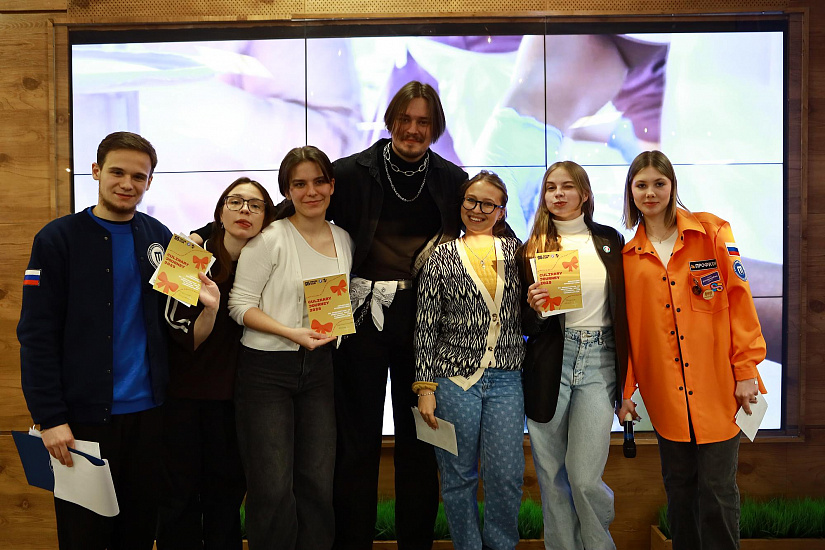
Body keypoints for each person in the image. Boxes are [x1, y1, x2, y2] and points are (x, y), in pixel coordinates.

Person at [329, 80, 469, 550]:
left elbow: (491, 228)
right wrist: (208, 235)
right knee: (356, 442)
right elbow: (291, 210)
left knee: (421, 441)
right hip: (358, 316)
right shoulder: (349, 172)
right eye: (405, 119)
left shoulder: (451, 179)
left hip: (424, 321)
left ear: (435, 127)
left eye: (423, 122)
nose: (413, 129)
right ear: (391, 120)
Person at [17, 131, 172, 549]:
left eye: (138, 176)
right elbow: (36, 335)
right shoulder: (57, 239)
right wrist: (50, 418)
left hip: (149, 418)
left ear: (149, 181)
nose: (127, 184)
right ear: (96, 171)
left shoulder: (159, 236)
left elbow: (179, 321)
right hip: (81, 422)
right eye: (117, 172)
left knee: (139, 534)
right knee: (83, 537)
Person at [616, 150, 767, 550]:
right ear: (630, 191)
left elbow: (740, 302)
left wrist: (746, 371)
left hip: (720, 389)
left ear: (672, 186)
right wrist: (625, 392)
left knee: (718, 489)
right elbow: (628, 333)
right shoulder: (627, 259)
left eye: (659, 183)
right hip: (666, 396)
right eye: (641, 185)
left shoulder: (712, 232)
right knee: (679, 489)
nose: (650, 193)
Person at [227, 146, 353, 549]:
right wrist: (290, 332)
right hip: (265, 372)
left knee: (317, 481)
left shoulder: (343, 239)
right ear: (287, 191)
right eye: (299, 184)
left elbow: (337, 302)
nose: (310, 191)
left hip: (319, 369)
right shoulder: (270, 240)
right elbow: (238, 305)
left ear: (331, 185)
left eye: (319, 182)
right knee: (272, 486)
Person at [156, 178, 276, 549]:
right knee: (178, 499)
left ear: (267, 218)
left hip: (240, 400)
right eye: (235, 202)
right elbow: (179, 337)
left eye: (255, 205)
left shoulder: (271, 259)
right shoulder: (186, 252)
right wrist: (209, 309)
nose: (244, 210)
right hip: (183, 395)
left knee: (226, 501)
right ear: (220, 211)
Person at [521, 161, 629, 550]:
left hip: (600, 359)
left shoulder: (610, 240)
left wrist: (629, 385)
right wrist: (534, 309)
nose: (558, 194)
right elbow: (524, 325)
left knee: (583, 478)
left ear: (584, 194)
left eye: (567, 186)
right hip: (550, 362)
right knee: (552, 478)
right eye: (551, 187)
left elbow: (626, 311)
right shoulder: (532, 248)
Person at [414, 171, 525, 549]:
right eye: (471, 201)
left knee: (506, 476)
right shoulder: (440, 257)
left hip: (506, 379)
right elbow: (426, 326)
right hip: (452, 381)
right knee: (458, 477)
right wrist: (425, 389)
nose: (478, 210)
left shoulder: (518, 254)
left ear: (501, 211)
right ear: (461, 204)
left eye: (488, 204)